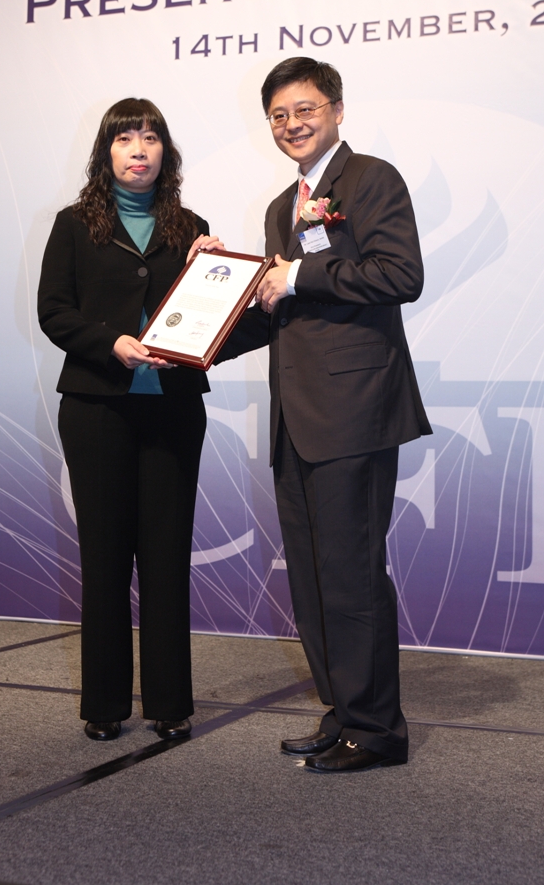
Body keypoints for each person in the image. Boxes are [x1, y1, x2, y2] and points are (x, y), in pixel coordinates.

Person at [216, 57, 432, 772]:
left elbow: (399, 274)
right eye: (278, 115)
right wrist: (201, 328)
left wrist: (298, 274)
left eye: (304, 109)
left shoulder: (370, 179)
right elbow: (280, 308)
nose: (292, 124)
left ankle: (376, 731)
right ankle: (342, 711)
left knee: (351, 574)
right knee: (311, 579)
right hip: (296, 415)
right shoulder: (283, 206)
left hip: (354, 411)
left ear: (336, 110)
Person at [38, 98, 222, 742]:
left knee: (167, 556)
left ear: (166, 151)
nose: (139, 150)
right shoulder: (72, 224)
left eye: (150, 138)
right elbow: (54, 312)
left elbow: (211, 317)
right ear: (106, 152)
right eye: (125, 139)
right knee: (106, 556)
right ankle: (105, 703)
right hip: (96, 408)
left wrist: (217, 270)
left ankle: (169, 702)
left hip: (174, 409)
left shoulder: (193, 227)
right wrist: (109, 342)